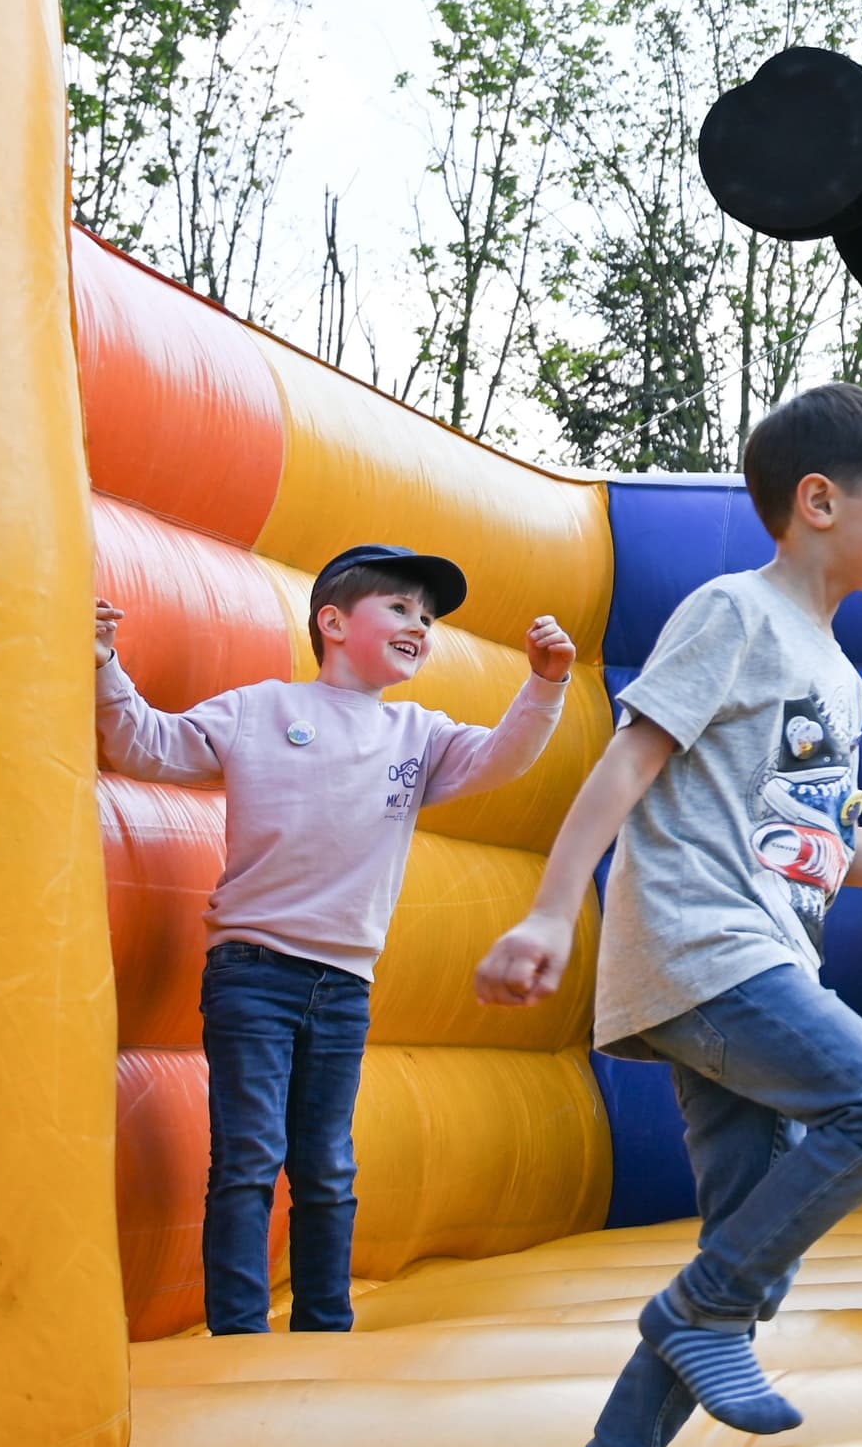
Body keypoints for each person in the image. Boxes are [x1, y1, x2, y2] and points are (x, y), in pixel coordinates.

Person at [474, 385, 862, 1447]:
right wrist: (548, 908)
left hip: (762, 944)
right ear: (819, 500)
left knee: (751, 1224)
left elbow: (827, 848)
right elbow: (628, 758)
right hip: (705, 947)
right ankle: (700, 1309)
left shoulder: (838, 673)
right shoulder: (734, 612)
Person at [93, 545, 576, 1336]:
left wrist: (547, 683)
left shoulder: (418, 735)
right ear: (334, 621)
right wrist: (107, 663)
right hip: (252, 970)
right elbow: (148, 745)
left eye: (427, 617)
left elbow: (502, 757)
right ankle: (240, 1334)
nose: (420, 625)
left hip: (343, 983)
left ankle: (325, 1326)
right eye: (401, 608)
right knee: (248, 1157)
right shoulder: (263, 710)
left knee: (326, 1165)